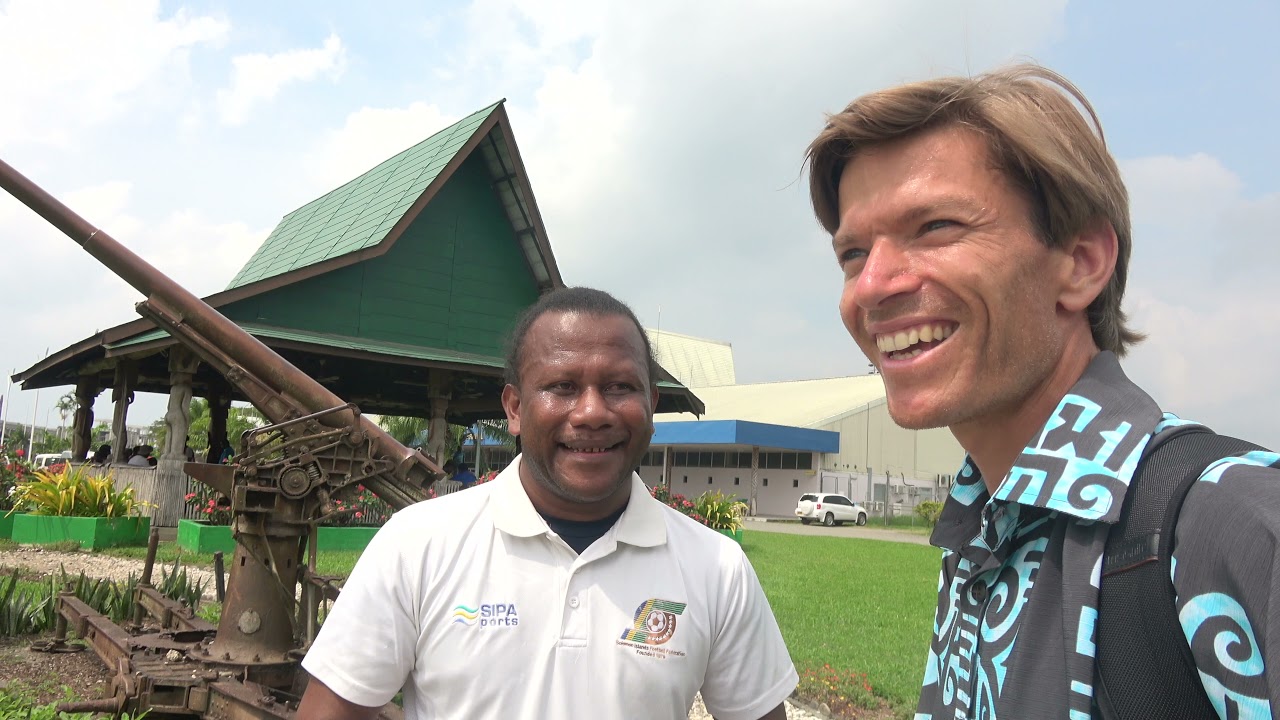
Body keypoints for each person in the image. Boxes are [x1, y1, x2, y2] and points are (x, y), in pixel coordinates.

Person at [805, 63, 1280, 718]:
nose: (872, 286)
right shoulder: (983, 536)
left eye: (937, 226)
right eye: (852, 254)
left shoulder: (1236, 525)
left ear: (1082, 262)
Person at [299, 287, 796, 719]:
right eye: (562, 387)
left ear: (651, 405)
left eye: (621, 387)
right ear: (514, 408)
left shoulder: (716, 568)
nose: (593, 413)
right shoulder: (418, 544)